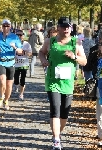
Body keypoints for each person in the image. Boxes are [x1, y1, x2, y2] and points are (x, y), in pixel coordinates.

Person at [39, 16, 87, 150]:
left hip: (68, 82)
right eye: (63, 26)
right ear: (58, 27)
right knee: (55, 109)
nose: (66, 29)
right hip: (53, 81)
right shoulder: (50, 41)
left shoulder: (76, 43)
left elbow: (84, 61)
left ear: (71, 28)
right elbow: (41, 52)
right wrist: (43, 60)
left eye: (68, 27)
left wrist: (74, 57)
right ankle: (56, 140)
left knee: (65, 112)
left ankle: (58, 134)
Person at [0, 19, 23, 110]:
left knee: (9, 85)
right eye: (4, 26)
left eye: (7, 26)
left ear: (10, 26)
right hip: (0, 61)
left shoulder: (15, 37)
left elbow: (20, 51)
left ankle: (6, 100)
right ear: (2, 26)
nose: (6, 27)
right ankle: (1, 96)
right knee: (2, 81)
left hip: (11, 62)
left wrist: (15, 47)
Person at [14, 30, 32, 100]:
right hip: (15, 64)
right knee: (16, 79)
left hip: (24, 64)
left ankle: (21, 94)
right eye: (17, 35)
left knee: (23, 79)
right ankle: (16, 85)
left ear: (23, 36)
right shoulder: (13, 44)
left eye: (20, 35)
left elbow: (30, 54)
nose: (19, 36)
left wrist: (24, 52)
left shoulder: (26, 44)